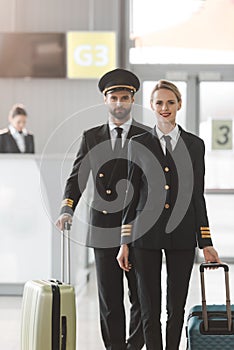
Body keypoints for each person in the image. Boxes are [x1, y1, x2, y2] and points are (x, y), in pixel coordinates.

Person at [117, 80, 221, 350]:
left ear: (179, 105)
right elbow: (131, 197)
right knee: (150, 309)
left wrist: (205, 241)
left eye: (170, 102)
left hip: (183, 233)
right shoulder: (136, 143)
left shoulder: (195, 145)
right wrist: (124, 242)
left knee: (176, 307)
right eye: (159, 103)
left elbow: (197, 195)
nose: (165, 108)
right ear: (151, 106)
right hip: (144, 235)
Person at [56, 68, 150, 350]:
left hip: (138, 225)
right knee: (109, 298)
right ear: (105, 101)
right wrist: (67, 209)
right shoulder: (91, 137)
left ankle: (134, 346)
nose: (119, 103)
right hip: (103, 227)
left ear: (132, 100)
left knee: (141, 297)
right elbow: (77, 177)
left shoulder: (146, 136)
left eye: (124, 97)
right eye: (114, 98)